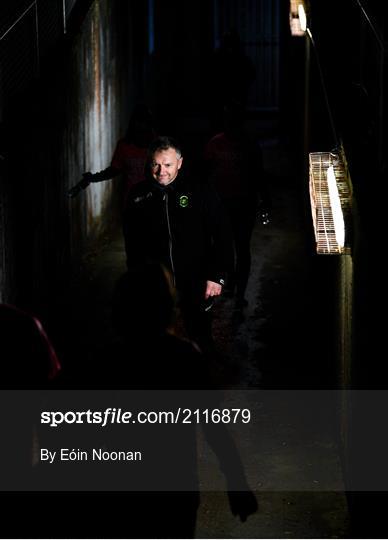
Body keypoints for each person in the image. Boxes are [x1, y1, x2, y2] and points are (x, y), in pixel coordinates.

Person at [123, 135, 233, 352]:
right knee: (153, 342)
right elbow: (132, 243)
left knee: (200, 335)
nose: (161, 171)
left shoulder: (200, 191)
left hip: (195, 279)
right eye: (155, 164)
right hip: (156, 284)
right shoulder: (138, 196)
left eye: (167, 164)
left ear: (180, 163)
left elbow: (222, 234)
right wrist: (136, 277)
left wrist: (217, 275)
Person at [205, 101, 271, 308]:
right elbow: (205, 173)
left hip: (242, 203)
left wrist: (265, 199)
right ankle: (233, 287)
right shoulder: (218, 144)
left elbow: (259, 174)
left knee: (239, 248)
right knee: (228, 248)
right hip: (225, 204)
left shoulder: (247, 144)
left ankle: (237, 290)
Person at [68, 103, 156, 206]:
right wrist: (91, 178)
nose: (142, 126)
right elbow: (113, 170)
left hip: (152, 202)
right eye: (139, 121)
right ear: (133, 123)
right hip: (132, 203)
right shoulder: (125, 146)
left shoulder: (157, 145)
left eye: (144, 122)